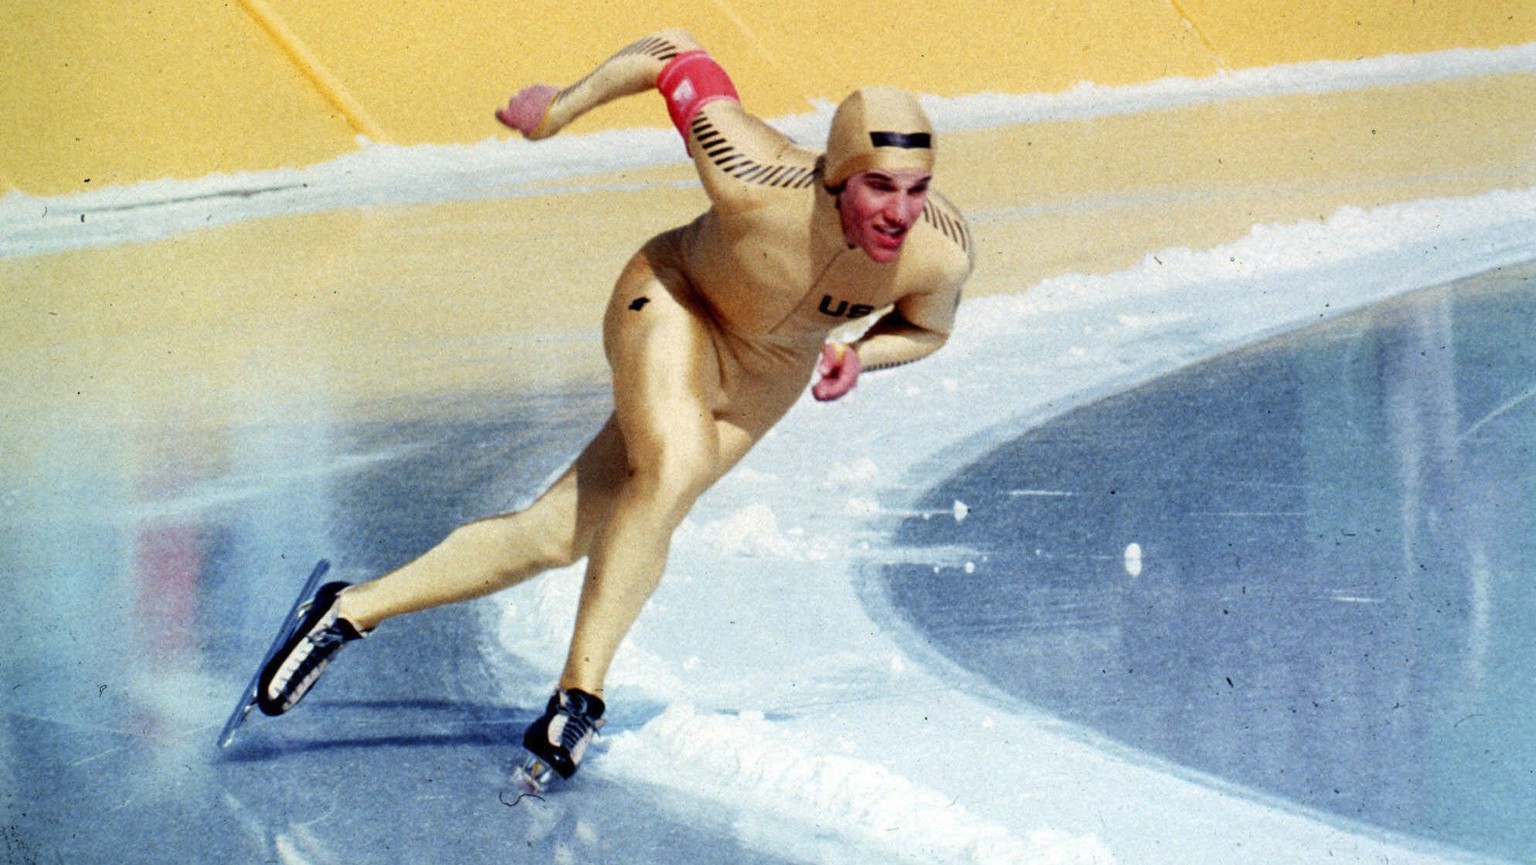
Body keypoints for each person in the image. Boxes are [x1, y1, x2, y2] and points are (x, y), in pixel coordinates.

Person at [255, 28, 973, 784]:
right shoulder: (753, 172)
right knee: (675, 466)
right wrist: (558, 109)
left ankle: (347, 611)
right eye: (880, 187)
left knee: (553, 535)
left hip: (769, 374)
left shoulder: (942, 247)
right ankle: (580, 697)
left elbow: (925, 328)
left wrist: (860, 354)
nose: (901, 212)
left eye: (916, 189)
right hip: (673, 300)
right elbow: (672, 53)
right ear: (836, 178)